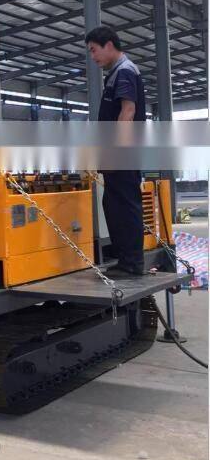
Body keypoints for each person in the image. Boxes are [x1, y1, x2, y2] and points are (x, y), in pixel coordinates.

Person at [86, 25, 146, 275]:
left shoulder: (124, 71)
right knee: (113, 203)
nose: (92, 56)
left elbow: (128, 112)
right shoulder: (117, 73)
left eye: (94, 50)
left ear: (109, 45)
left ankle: (132, 263)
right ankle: (125, 259)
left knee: (124, 204)